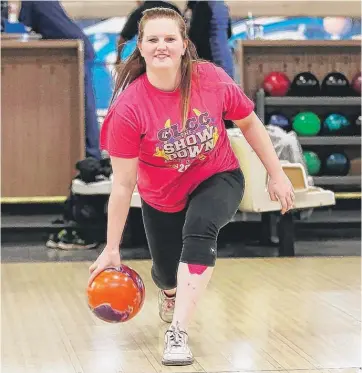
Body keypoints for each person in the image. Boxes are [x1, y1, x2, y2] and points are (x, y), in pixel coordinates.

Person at [88, 7, 295, 366]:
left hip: (218, 176)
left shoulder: (210, 79)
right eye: (153, 39)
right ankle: (170, 291)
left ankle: (178, 333)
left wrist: (276, 174)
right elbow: (123, 186)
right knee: (167, 273)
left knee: (200, 229)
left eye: (170, 38)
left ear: (185, 44)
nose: (161, 46)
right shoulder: (128, 109)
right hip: (161, 196)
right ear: (141, 46)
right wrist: (111, 247)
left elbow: (250, 124)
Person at [18, 1, 101, 160]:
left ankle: (92, 155)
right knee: (84, 104)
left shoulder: (34, 2)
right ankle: (91, 153)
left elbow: (24, 26)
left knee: (84, 105)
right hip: (78, 48)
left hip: (77, 52)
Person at [116, 0, 181, 63]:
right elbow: (184, 34)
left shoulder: (140, 11)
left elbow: (123, 38)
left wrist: (118, 59)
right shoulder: (174, 9)